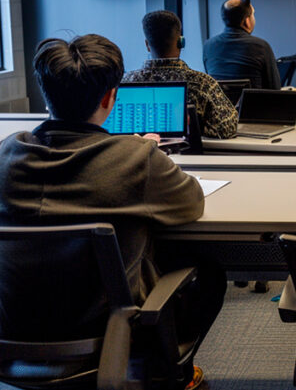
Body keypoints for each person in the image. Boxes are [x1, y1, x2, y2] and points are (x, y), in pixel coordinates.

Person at [0, 35, 223, 390]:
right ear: (109, 97)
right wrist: (149, 153)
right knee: (207, 269)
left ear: (45, 93)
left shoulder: (7, 155)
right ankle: (171, 374)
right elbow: (191, 202)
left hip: (13, 325)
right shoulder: (136, 158)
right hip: (104, 329)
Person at [123, 10, 238, 138]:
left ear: (147, 45)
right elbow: (226, 128)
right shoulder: (202, 83)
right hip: (189, 156)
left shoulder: (126, 82)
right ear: (181, 42)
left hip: (139, 156)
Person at [203, 0, 281, 90]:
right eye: (253, 14)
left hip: (220, 105)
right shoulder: (261, 47)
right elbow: (275, 90)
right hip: (253, 105)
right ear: (246, 21)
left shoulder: (208, 46)